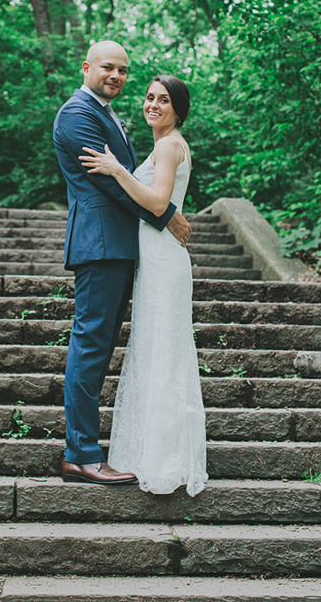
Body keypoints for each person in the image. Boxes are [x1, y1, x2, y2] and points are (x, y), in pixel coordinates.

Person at [53, 41, 192, 485]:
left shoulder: (107, 113)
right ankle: (81, 454)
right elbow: (110, 181)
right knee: (91, 345)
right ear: (87, 67)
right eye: (108, 67)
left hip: (120, 246)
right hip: (100, 243)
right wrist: (166, 213)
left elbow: (128, 175)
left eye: (123, 70)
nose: (116, 75)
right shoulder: (77, 114)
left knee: (100, 346)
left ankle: (88, 448)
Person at [79, 74, 207, 497]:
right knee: (154, 350)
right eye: (150, 97)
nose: (153, 104)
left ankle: (163, 460)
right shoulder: (161, 143)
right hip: (151, 259)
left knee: (163, 353)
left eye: (164, 100)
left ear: (178, 108)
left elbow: (157, 202)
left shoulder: (170, 144)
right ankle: (149, 452)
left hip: (164, 259)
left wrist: (116, 168)